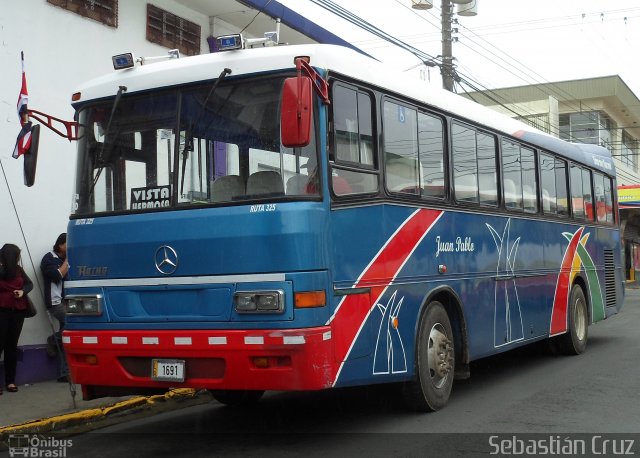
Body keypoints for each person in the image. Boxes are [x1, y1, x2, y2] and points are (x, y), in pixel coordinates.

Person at [0, 243, 33, 394]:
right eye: (17, 255)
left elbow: (29, 284)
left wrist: (22, 291)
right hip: (2, 311)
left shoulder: (19, 270)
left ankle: (10, 381)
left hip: (17, 311)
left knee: (11, 347)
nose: (19, 258)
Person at [40, 233, 70, 382]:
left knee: (66, 336)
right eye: (68, 244)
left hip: (67, 301)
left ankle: (64, 373)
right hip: (55, 302)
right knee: (71, 324)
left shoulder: (63, 260)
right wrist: (68, 259)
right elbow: (57, 275)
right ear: (60, 245)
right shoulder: (49, 258)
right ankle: (53, 339)